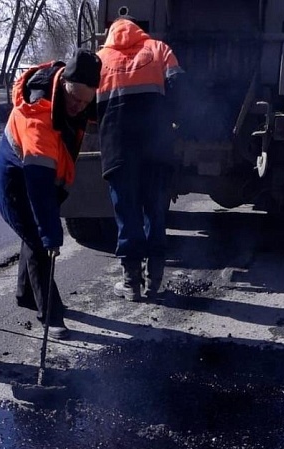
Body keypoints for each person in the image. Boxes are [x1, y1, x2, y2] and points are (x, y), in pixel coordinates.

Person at [0, 49, 101, 340]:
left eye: (85, 101)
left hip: (46, 179)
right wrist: (53, 233)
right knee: (41, 242)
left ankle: (26, 295)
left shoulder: (77, 99)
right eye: (74, 99)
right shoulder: (37, 118)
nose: (78, 107)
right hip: (17, 184)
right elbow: (38, 189)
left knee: (34, 236)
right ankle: (52, 316)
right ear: (62, 83)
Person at [96, 15, 184, 301]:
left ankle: (131, 282)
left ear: (110, 33)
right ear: (139, 31)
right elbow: (179, 88)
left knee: (127, 214)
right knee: (155, 211)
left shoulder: (99, 60)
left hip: (118, 149)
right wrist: (170, 121)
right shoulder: (159, 49)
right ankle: (155, 279)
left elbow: (83, 104)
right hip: (155, 148)